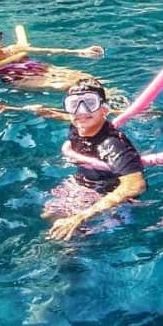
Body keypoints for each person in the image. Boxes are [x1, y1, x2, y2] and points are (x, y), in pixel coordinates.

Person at [44, 78, 147, 241]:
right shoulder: (79, 125)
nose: (81, 111)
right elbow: (77, 116)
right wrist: (49, 114)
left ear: (104, 109)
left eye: (90, 103)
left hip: (110, 197)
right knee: (50, 215)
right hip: (82, 184)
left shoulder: (111, 144)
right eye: (74, 104)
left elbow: (135, 185)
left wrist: (82, 216)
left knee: (72, 239)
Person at [0, 21, 104, 100]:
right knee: (66, 85)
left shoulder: (13, 49)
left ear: (0, 37)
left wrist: (79, 51)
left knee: (88, 80)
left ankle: (113, 98)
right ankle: (100, 105)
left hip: (42, 69)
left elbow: (47, 50)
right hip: (20, 79)